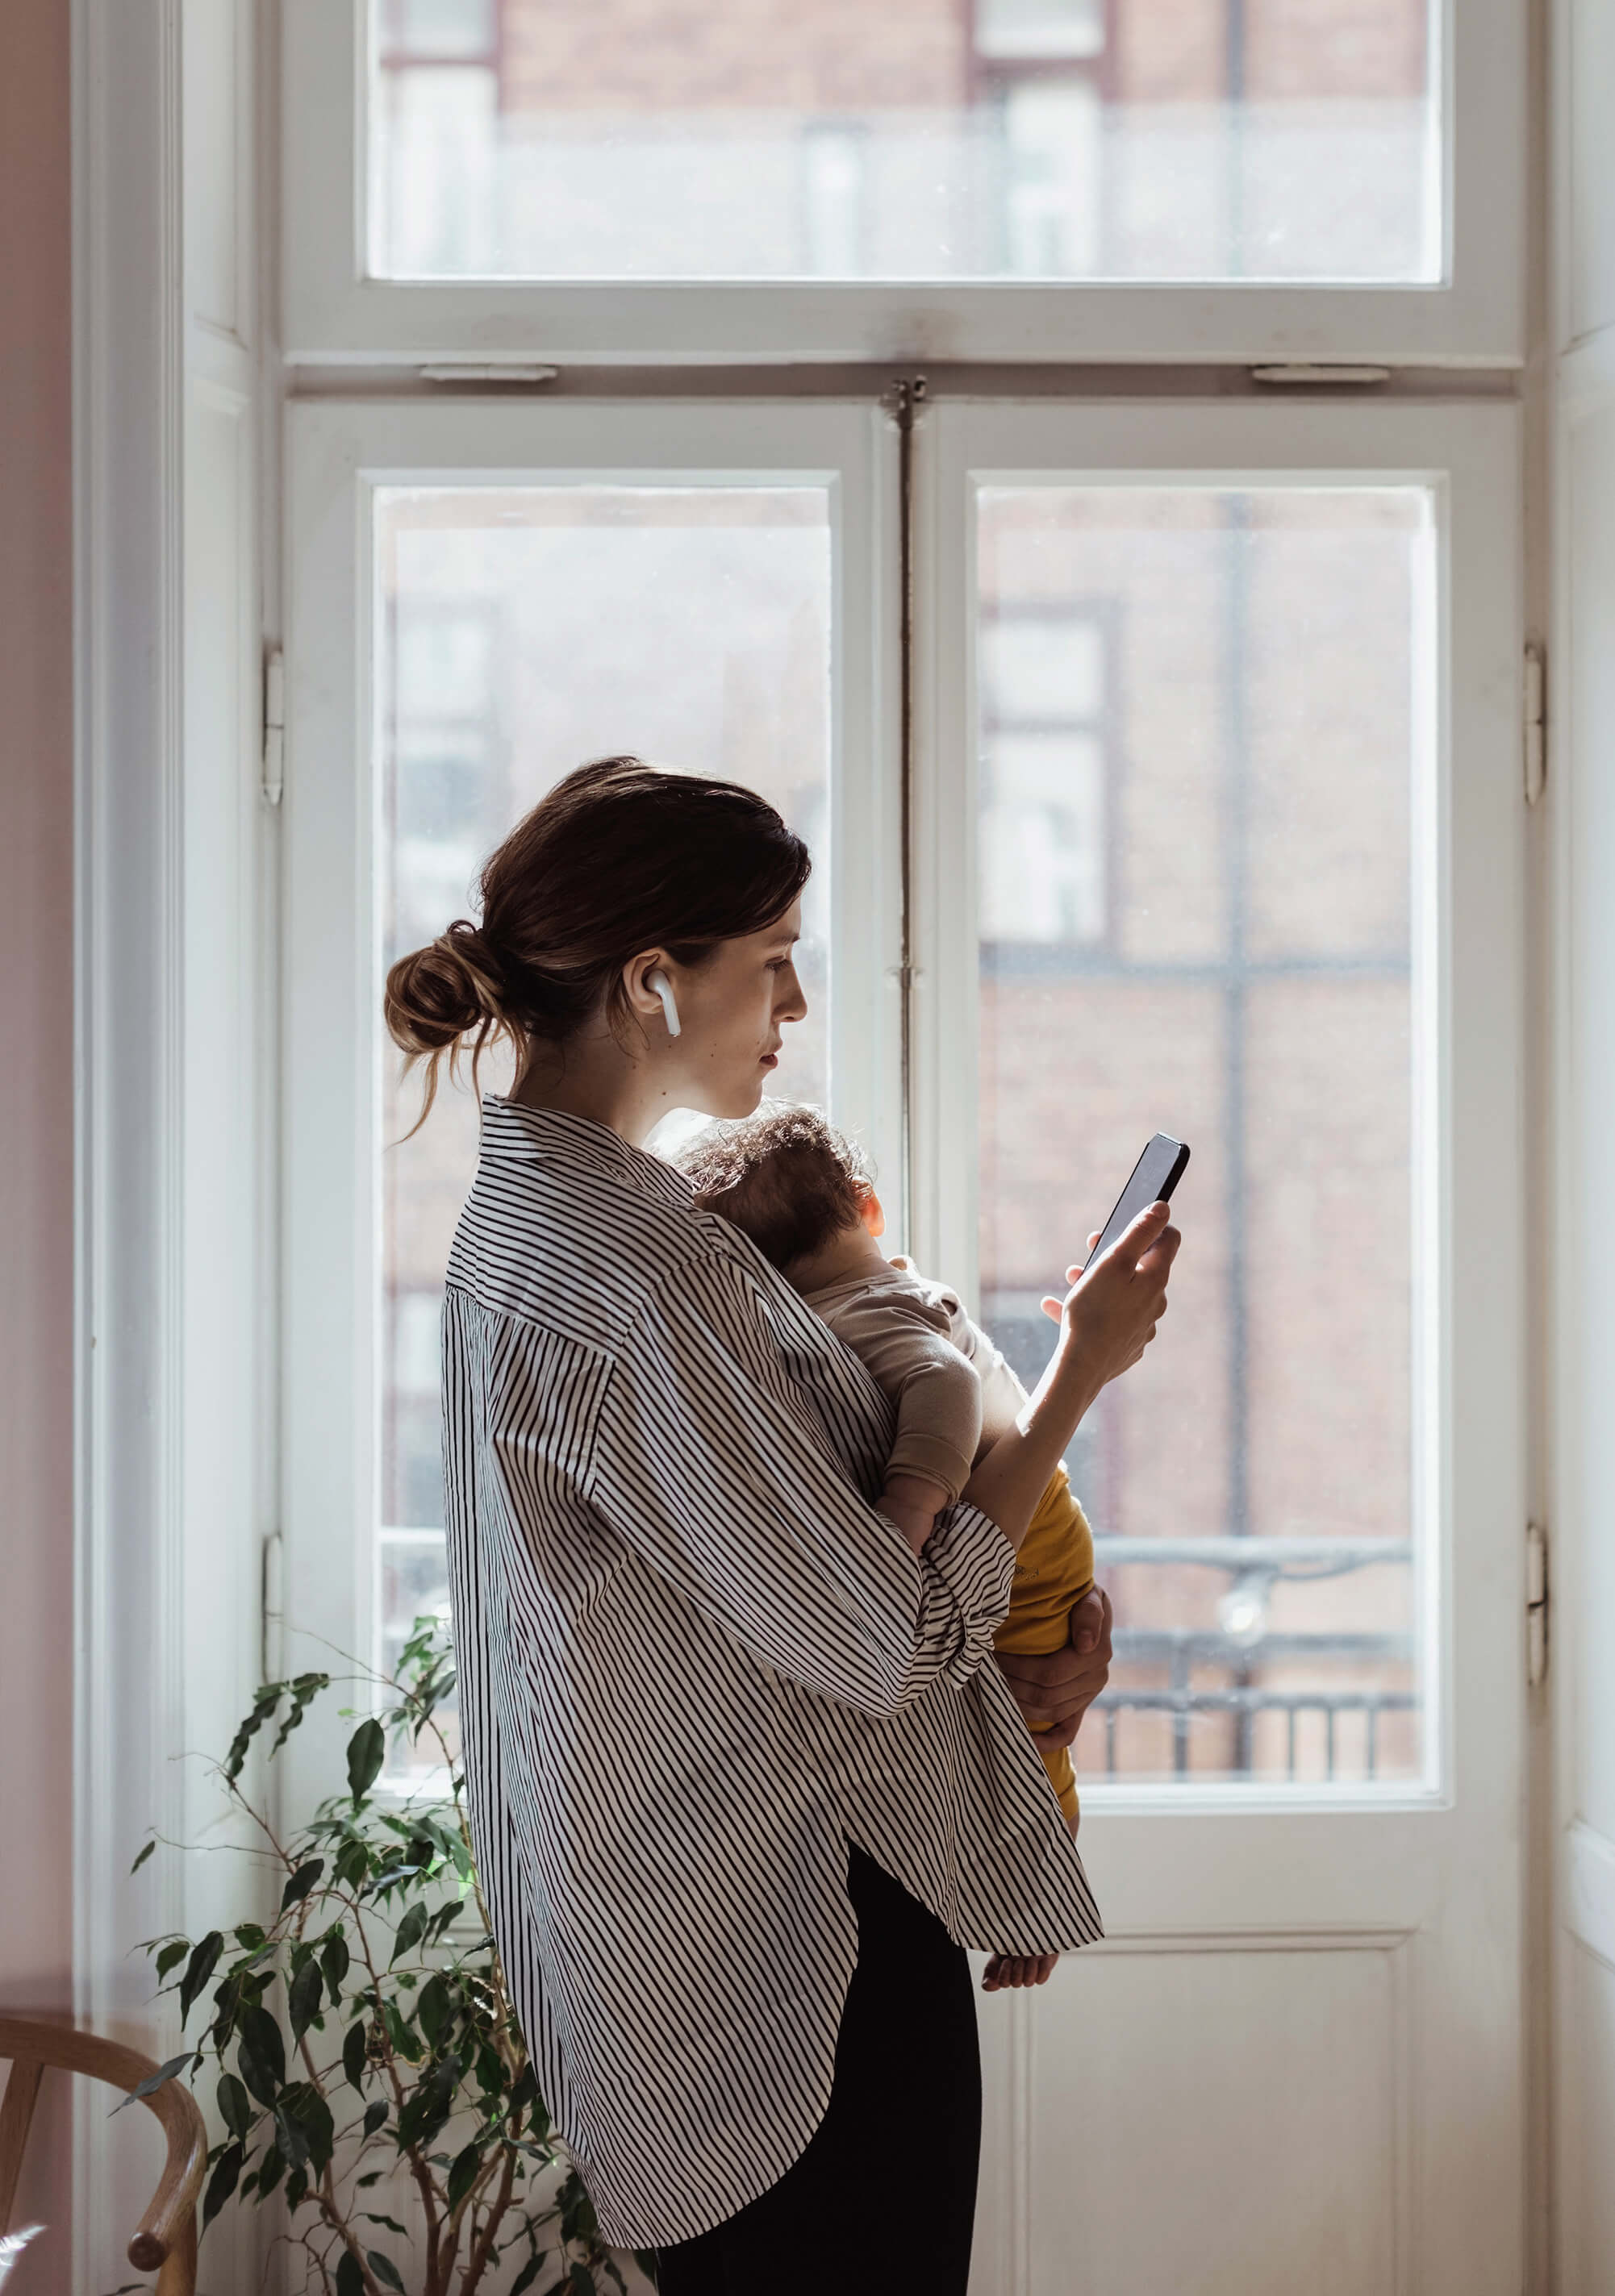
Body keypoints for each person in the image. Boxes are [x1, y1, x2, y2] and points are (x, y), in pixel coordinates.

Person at [383, 755, 1179, 2295]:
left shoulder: (551, 1222)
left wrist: (1002, 1680)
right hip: (788, 1974)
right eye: (770, 963)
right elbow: (879, 1644)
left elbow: (763, 1607)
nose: (795, 1006)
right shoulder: (641, 1269)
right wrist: (1082, 1365)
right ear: (650, 982)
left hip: (710, 1942)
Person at [673, 1102, 1098, 1995]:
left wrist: (909, 1505)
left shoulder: (852, 1314)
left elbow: (940, 1384)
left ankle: (1041, 1879)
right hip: (1036, 1513)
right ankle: (1039, 1874)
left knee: (1024, 1729)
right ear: (865, 1207)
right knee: (1028, 1716)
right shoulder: (890, 1284)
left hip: (1023, 1531)